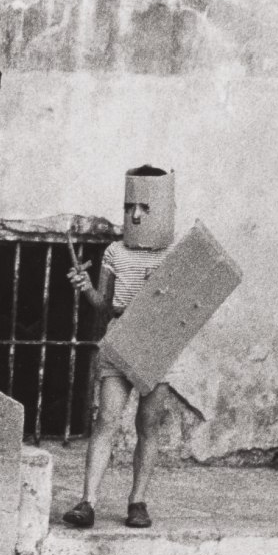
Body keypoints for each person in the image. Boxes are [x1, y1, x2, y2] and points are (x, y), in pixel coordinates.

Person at [61, 165, 189, 530]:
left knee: (148, 425)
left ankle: (137, 502)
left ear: (162, 209)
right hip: (119, 340)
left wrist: (161, 293)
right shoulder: (115, 252)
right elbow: (104, 305)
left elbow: (184, 310)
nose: (135, 214)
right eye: (129, 206)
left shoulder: (175, 254)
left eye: (145, 207)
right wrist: (86, 287)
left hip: (158, 346)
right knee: (106, 420)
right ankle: (88, 501)